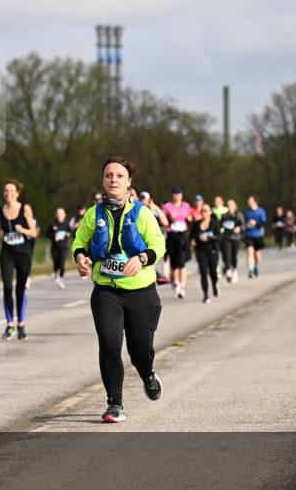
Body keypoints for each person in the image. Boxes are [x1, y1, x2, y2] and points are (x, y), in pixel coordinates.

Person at [72, 157, 165, 423]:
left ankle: (147, 373)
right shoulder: (94, 213)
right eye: (109, 175)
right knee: (110, 344)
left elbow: (158, 244)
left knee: (139, 350)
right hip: (106, 292)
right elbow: (80, 241)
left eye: (119, 176)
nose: (114, 179)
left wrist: (142, 258)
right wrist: (80, 258)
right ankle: (115, 403)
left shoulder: (142, 213)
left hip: (140, 291)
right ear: (103, 180)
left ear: (128, 183)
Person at [0, 180, 38, 340]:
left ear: (17, 193)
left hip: (23, 254)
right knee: (6, 287)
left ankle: (22, 324)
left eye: (11, 191)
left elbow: (34, 232)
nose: (8, 194)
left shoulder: (25, 208)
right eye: (6, 191)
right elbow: (1, 229)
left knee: (20, 290)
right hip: (7, 253)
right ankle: (10, 324)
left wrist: (22, 230)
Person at [162, 187, 192, 298]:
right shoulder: (167, 207)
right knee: (174, 263)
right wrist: (170, 219)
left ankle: (182, 286)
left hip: (183, 235)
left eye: (179, 194)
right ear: (172, 195)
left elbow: (190, 219)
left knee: (182, 262)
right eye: (175, 194)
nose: (177, 196)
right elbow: (163, 221)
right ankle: (176, 284)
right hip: (172, 235)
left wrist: (189, 220)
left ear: (181, 195)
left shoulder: (186, 206)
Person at [190, 203, 221, 303]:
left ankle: (215, 285)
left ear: (210, 212)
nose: (203, 212)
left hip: (212, 250)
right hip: (200, 251)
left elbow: (219, 236)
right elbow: (191, 236)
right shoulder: (196, 224)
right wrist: (192, 241)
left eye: (206, 210)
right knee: (203, 273)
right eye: (202, 211)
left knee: (213, 272)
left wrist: (211, 237)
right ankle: (206, 295)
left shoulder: (214, 223)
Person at [219, 199, 244, 283]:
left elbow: (243, 225)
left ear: (235, 206)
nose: (229, 206)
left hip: (236, 238)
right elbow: (219, 225)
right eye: (228, 205)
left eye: (231, 205)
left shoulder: (238, 215)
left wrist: (239, 228)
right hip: (226, 237)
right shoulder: (224, 215)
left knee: (234, 256)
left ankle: (235, 270)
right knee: (227, 255)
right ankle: (228, 271)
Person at [47, 208, 71, 289]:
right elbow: (47, 234)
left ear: (64, 215)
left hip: (64, 247)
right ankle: (56, 273)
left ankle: (61, 278)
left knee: (62, 263)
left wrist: (68, 234)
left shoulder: (66, 224)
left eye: (61, 213)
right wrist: (54, 237)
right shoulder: (52, 224)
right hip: (55, 247)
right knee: (56, 263)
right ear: (56, 215)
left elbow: (70, 232)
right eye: (58, 213)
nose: (60, 215)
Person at [243, 196, 267, 278]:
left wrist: (255, 223)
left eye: (250, 200)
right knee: (250, 252)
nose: (248, 202)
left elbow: (263, 224)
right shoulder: (246, 211)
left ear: (255, 202)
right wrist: (247, 224)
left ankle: (255, 265)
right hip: (248, 235)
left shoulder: (261, 212)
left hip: (258, 235)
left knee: (257, 254)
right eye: (248, 200)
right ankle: (250, 269)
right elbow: (243, 223)